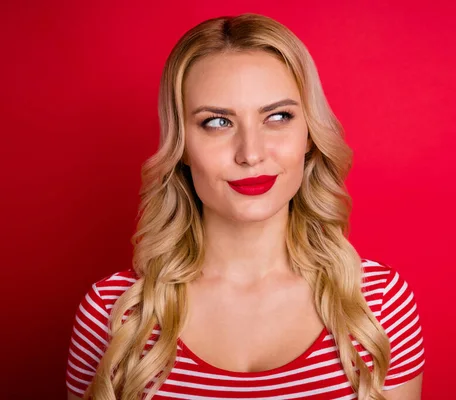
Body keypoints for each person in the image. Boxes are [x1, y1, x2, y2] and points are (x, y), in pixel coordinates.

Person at [65, 13, 425, 400]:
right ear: (181, 146)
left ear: (308, 136)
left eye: (278, 116)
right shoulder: (112, 314)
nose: (250, 154)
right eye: (217, 122)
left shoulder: (378, 304)